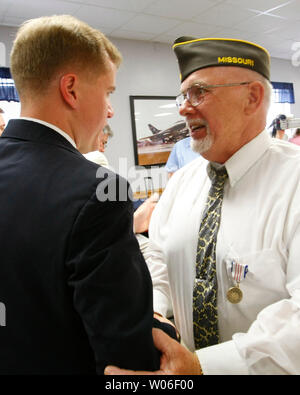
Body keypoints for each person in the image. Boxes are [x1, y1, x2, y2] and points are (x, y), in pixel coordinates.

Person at [105, 37, 300, 375]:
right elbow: (159, 261)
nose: (183, 107)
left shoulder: (294, 183)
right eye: (183, 96)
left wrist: (205, 367)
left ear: (252, 97)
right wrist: (154, 310)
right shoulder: (182, 182)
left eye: (199, 93)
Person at [0, 14, 177, 375]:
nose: (110, 109)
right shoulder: (99, 192)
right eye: (109, 91)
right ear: (72, 89)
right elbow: (129, 359)